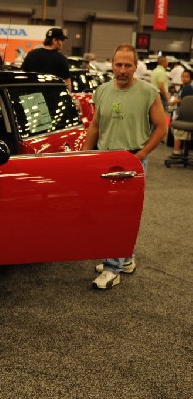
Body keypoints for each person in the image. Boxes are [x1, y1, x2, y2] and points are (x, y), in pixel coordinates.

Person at [82, 43, 166, 289]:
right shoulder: (102, 91)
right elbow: (95, 126)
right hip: (105, 159)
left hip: (131, 160)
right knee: (109, 214)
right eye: (118, 64)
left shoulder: (148, 92)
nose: (122, 69)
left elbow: (161, 128)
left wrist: (141, 155)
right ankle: (125, 258)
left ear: (136, 66)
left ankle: (112, 268)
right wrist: (86, 155)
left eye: (128, 65)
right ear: (112, 64)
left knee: (120, 215)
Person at [21, 28, 71, 92]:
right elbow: (67, 84)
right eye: (62, 40)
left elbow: (23, 75)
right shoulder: (61, 58)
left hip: (32, 97)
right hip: (52, 98)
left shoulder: (31, 54)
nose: (63, 42)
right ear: (54, 41)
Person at [168, 69, 193, 158]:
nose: (184, 78)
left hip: (182, 114)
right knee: (182, 134)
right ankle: (183, 152)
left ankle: (176, 152)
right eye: (183, 76)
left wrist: (174, 101)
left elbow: (185, 100)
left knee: (178, 132)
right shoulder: (184, 86)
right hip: (181, 112)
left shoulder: (188, 88)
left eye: (186, 77)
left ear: (191, 78)